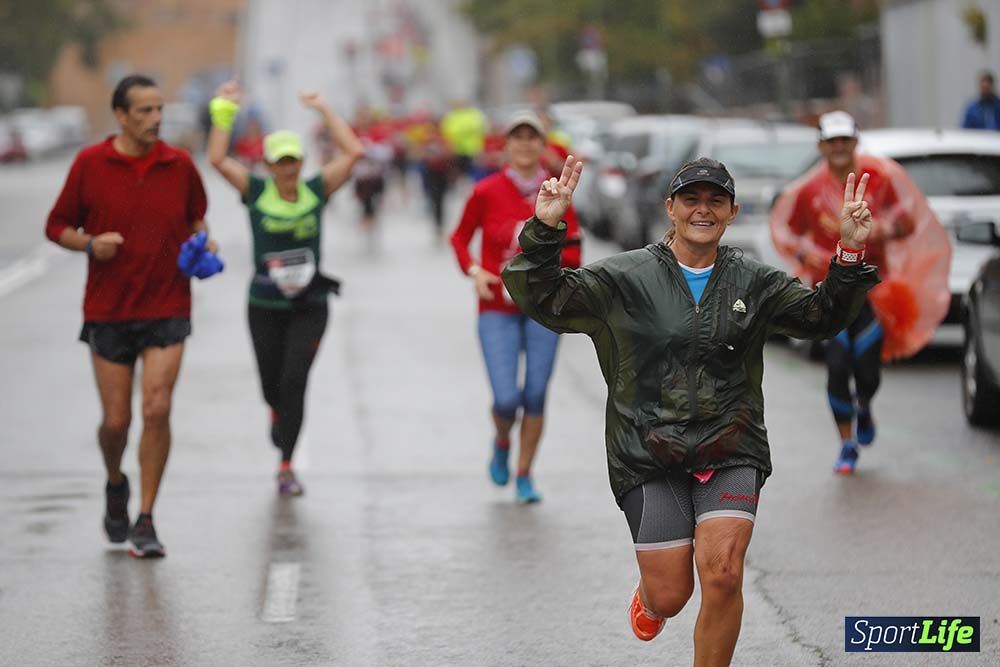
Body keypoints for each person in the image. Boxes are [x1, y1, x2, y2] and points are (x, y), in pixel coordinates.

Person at [503, 155, 878, 662]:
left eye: (715, 201)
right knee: (672, 594)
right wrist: (546, 226)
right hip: (647, 448)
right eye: (691, 200)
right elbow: (543, 295)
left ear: (731, 211)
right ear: (670, 209)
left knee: (723, 574)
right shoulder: (627, 277)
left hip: (730, 442)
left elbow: (820, 316)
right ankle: (652, 600)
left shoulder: (751, 280)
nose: (703, 210)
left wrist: (850, 252)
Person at [45, 74, 214, 558]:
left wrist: (205, 240)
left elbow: (196, 215)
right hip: (109, 309)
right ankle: (116, 482)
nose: (156, 119)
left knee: (157, 408)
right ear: (120, 115)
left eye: (159, 109)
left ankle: (146, 517)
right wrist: (90, 244)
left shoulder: (179, 165)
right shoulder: (90, 164)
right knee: (116, 422)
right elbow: (56, 225)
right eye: (144, 111)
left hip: (167, 304)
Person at [769, 110, 949, 474]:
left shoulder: (879, 178)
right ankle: (846, 444)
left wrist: (880, 228)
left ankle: (864, 405)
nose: (838, 147)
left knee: (868, 369)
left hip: (874, 289)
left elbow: (910, 218)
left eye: (844, 140)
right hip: (830, 291)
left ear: (855, 142)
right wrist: (809, 254)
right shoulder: (807, 190)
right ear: (820, 145)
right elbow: (785, 231)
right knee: (837, 366)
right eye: (831, 141)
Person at [207, 81, 364, 496]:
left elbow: (355, 154)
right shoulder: (256, 192)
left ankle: (286, 465)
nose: (289, 169)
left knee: (295, 381)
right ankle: (276, 414)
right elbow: (218, 159)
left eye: (294, 160)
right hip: (263, 304)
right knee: (270, 385)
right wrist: (223, 109)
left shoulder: (316, 190)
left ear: (301, 161)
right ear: (268, 164)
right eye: (281, 162)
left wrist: (324, 109)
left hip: (310, 303)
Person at [449, 110, 582, 504]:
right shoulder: (486, 191)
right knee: (507, 398)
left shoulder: (557, 193)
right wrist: (474, 270)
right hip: (496, 309)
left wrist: (558, 277)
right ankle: (503, 439)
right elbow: (458, 238)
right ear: (505, 145)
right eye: (517, 137)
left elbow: (574, 249)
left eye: (532, 137)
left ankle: (525, 474)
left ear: (543, 145)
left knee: (536, 394)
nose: (525, 143)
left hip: (542, 310)